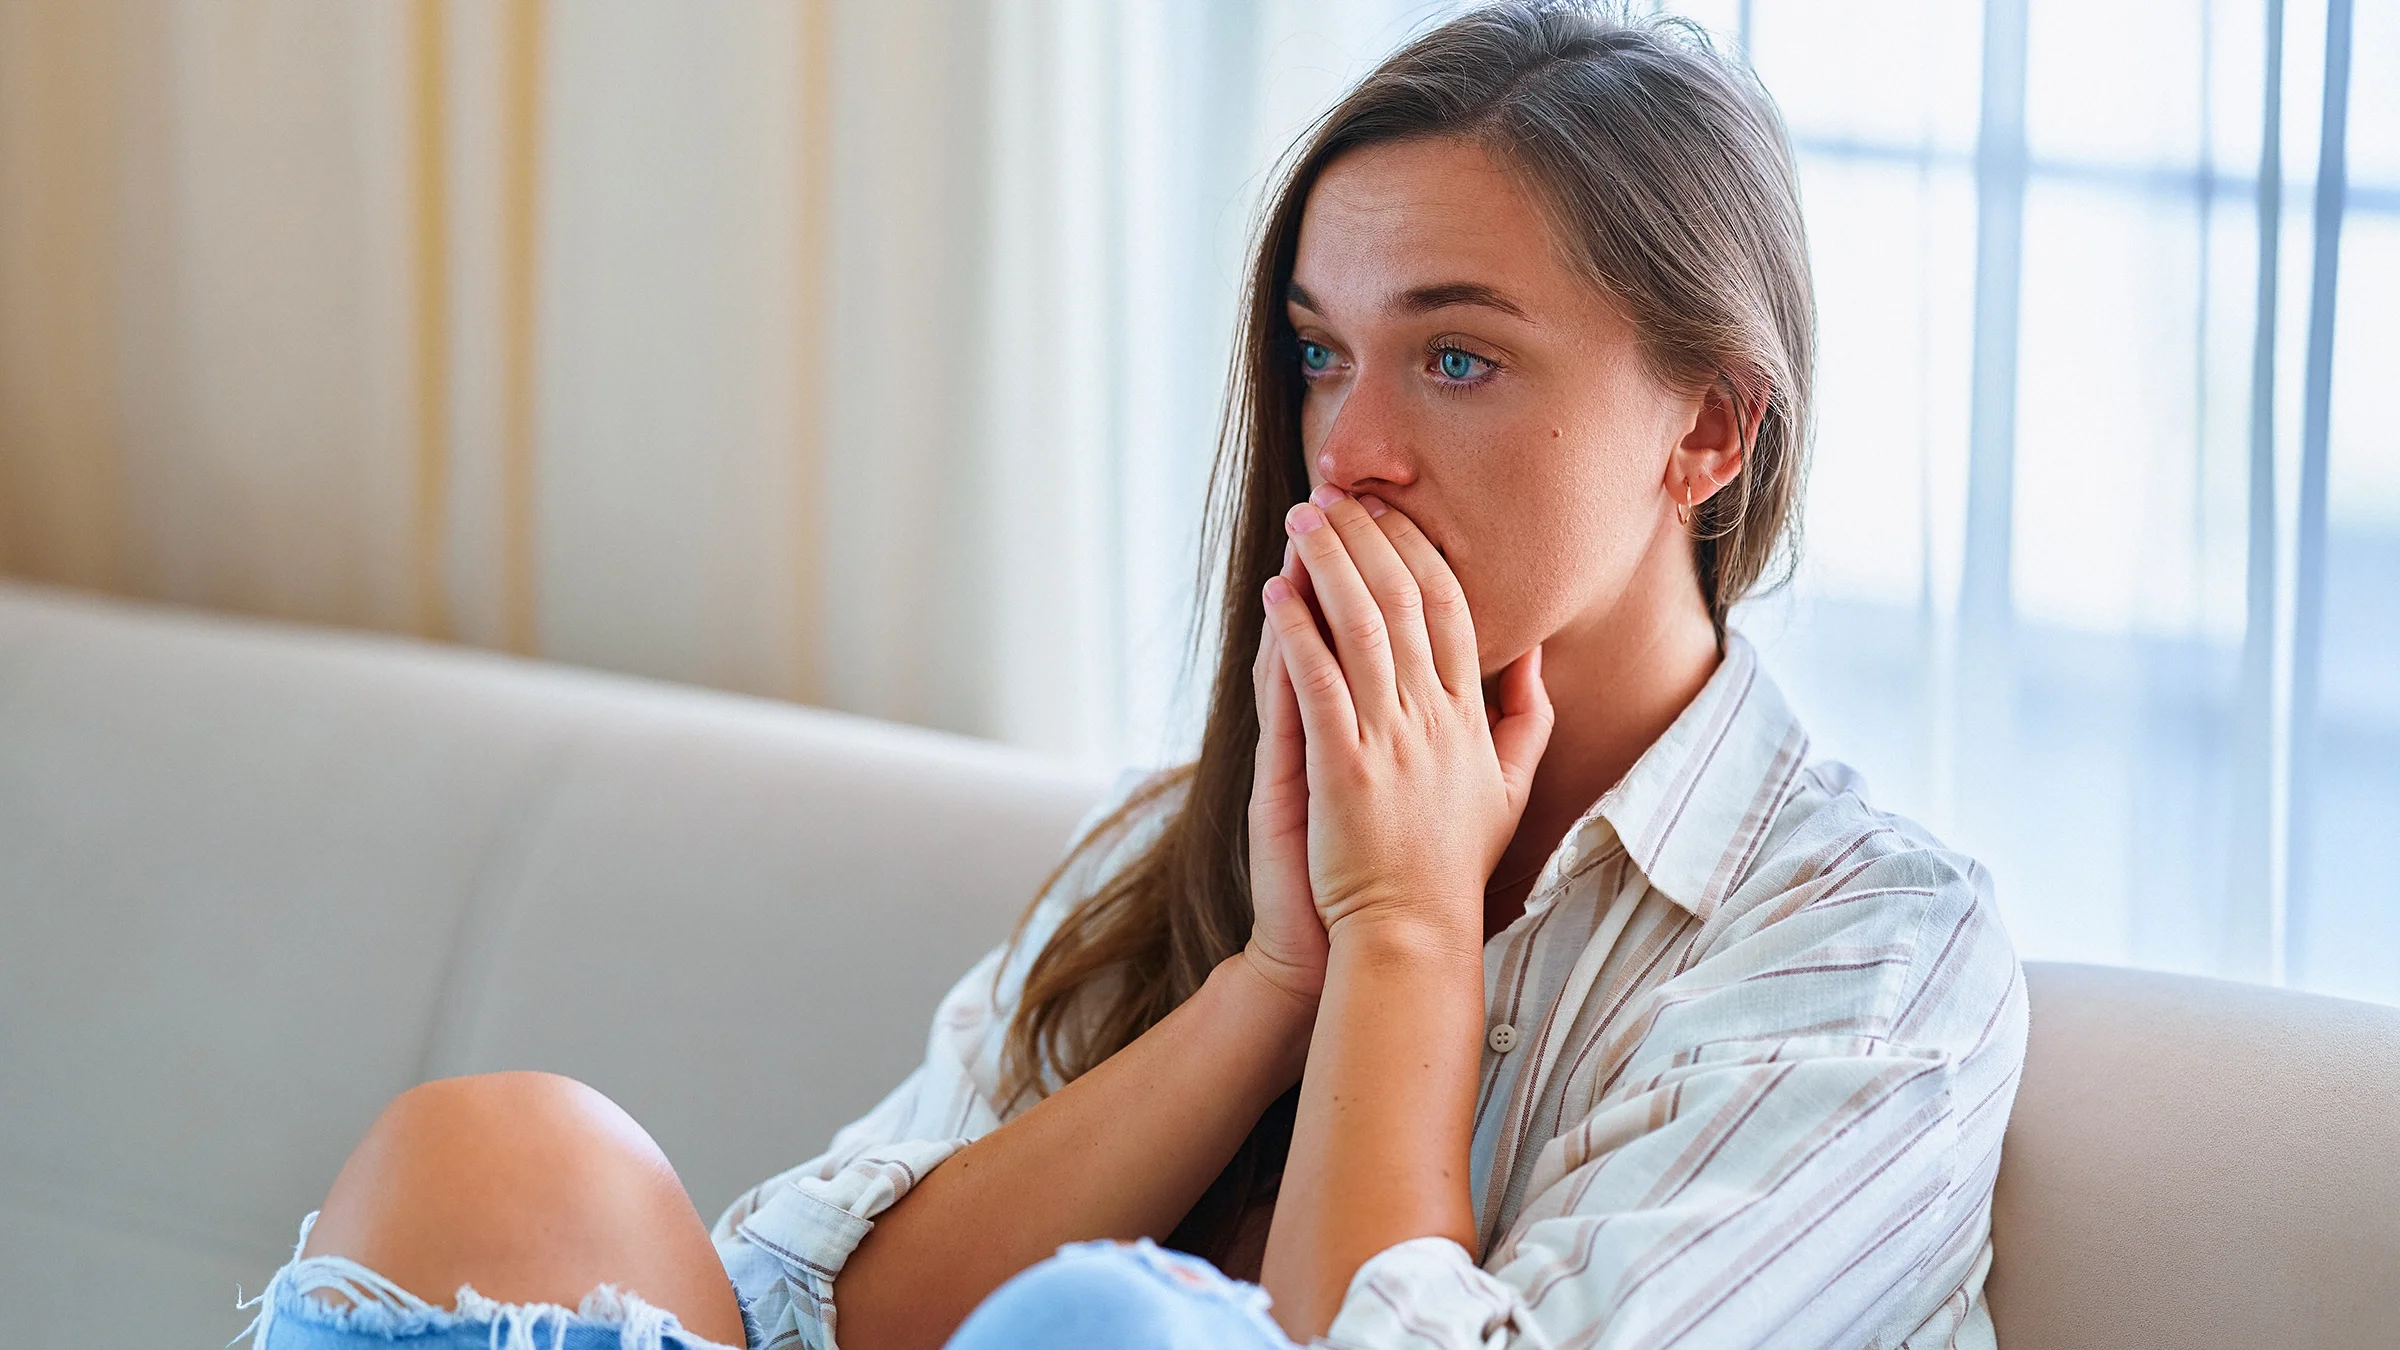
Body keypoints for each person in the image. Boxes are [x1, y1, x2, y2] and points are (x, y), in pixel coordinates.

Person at [239, 4, 2027, 1348]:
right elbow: (806, 1316)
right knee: (501, 1156)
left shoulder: (1869, 961)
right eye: (1324, 356)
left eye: (1461, 359)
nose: (1356, 452)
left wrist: (1412, 936)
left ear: (1710, 425)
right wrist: (1272, 973)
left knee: (1111, 1331)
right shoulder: (1187, 840)